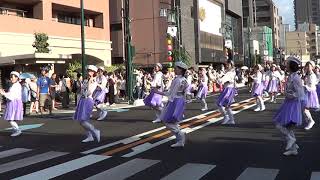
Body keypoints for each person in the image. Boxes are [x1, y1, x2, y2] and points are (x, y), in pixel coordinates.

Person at [274, 56, 304, 156]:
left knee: (280, 124)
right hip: (288, 103)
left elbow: (300, 93)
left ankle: (291, 139)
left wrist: (289, 95)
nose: (285, 65)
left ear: (291, 66)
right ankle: (293, 148)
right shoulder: (291, 76)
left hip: (293, 104)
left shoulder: (296, 78)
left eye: (287, 64)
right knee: (288, 127)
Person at [153, 61, 189, 148]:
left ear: (180, 70)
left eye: (176, 68)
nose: (175, 69)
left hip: (174, 101)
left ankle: (180, 135)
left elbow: (171, 93)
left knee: (167, 121)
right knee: (174, 121)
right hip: (180, 101)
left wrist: (159, 92)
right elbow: (184, 93)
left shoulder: (177, 80)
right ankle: (180, 140)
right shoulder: (184, 80)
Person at [73, 65, 101, 143]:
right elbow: (82, 90)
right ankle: (90, 136)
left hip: (88, 100)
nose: (89, 72)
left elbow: (89, 92)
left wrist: (88, 84)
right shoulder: (86, 80)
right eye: (88, 71)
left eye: (91, 71)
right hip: (83, 100)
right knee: (81, 120)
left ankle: (95, 131)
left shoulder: (93, 80)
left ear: (94, 73)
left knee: (83, 120)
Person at [0, 71, 23, 137]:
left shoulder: (16, 86)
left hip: (14, 103)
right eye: (11, 77)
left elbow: (12, 96)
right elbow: (10, 94)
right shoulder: (15, 85)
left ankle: (17, 130)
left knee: (11, 119)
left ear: (17, 78)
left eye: (13, 77)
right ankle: (16, 130)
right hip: (12, 102)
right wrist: (5, 93)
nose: (11, 79)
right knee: (11, 118)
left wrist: (4, 94)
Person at [303, 61, 319, 130]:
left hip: (311, 93)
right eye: (307, 66)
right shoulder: (307, 74)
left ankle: (311, 121)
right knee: (304, 108)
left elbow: (312, 87)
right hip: (306, 92)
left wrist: (304, 86)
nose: (307, 67)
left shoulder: (313, 75)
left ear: (312, 67)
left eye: (309, 66)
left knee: (305, 109)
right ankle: (309, 120)